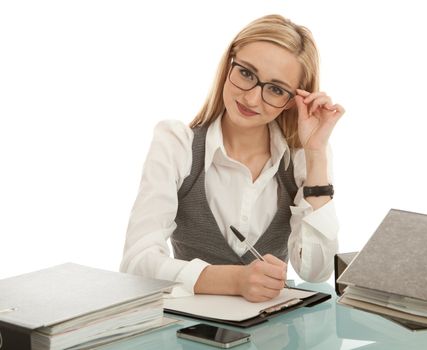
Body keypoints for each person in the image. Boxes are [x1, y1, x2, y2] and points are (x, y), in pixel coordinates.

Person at [120, 14, 345, 302]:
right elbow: (136, 262)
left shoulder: (303, 159)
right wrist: (232, 280)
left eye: (275, 90)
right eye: (246, 74)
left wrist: (316, 153)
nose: (251, 99)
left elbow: (316, 271)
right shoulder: (177, 144)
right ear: (229, 65)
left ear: (292, 101)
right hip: (191, 333)